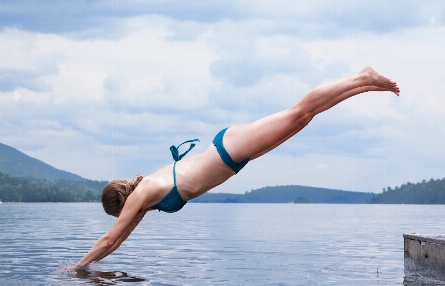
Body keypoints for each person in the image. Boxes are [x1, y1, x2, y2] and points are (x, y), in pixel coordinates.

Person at [74, 66, 400, 270]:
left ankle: (363, 78)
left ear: (119, 204)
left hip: (227, 150)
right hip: (233, 158)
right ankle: (365, 84)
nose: (121, 220)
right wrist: (87, 268)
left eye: (117, 215)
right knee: (303, 117)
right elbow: (118, 241)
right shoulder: (144, 200)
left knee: (299, 112)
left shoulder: (142, 194)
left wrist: (74, 268)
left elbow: (108, 239)